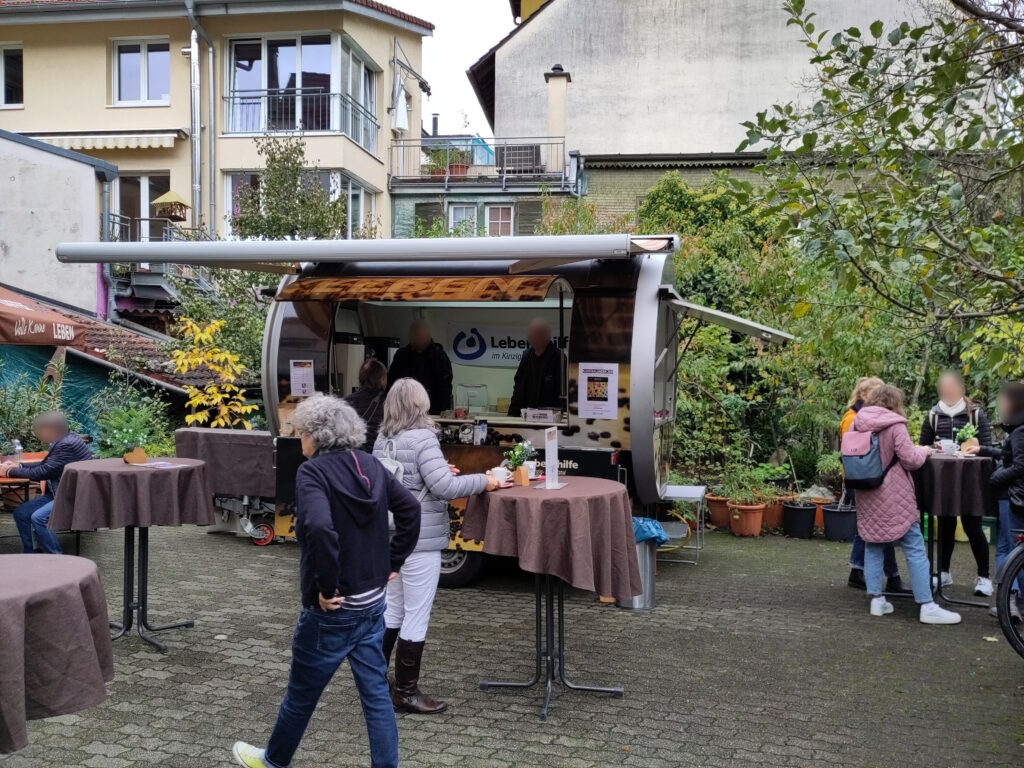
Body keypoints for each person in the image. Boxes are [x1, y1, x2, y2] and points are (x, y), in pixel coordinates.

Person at [232, 395, 421, 768]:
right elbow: (410, 509)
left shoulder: (312, 473)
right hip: (371, 605)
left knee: (301, 695)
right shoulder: (369, 462)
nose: (297, 438)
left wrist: (326, 587)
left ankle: (273, 761)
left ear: (316, 436)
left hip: (333, 611)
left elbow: (318, 527)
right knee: (377, 698)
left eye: (299, 431)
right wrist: (392, 560)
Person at [373, 378, 498, 714]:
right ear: (420, 405)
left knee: (392, 611)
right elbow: (443, 487)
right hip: (421, 539)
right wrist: (487, 480)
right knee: (416, 615)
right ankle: (405, 693)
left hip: (390, 538)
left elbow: (405, 480)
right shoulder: (424, 438)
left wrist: (441, 470)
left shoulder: (383, 440)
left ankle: (375, 684)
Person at [852, 385, 961, 624]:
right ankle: (927, 605)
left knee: (873, 544)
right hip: (893, 495)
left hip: (866, 492)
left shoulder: (857, 422)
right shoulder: (895, 424)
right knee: (914, 545)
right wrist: (923, 451)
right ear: (895, 402)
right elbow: (910, 460)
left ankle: (877, 601)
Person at [919, 370, 994, 597]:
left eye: (951, 387)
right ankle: (943, 572)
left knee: (973, 526)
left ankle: (984, 577)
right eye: (943, 388)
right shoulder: (933, 415)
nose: (947, 392)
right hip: (944, 482)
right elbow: (923, 447)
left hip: (969, 481)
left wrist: (972, 449)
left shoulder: (976, 414)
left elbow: (988, 448)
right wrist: (934, 449)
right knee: (945, 525)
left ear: (961, 389)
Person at [841, 377, 910, 594]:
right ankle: (865, 571)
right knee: (871, 530)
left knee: (875, 529)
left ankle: (883, 575)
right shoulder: (852, 418)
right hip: (864, 479)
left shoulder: (869, 418)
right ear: (864, 395)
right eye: (875, 392)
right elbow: (854, 451)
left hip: (870, 478)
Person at [964, 381, 1024, 624]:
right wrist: (984, 450)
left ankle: (1010, 602)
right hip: (1013, 496)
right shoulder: (1018, 428)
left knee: (1008, 551)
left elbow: (1020, 465)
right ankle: (1014, 601)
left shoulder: (1019, 431)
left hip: (1012, 498)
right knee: (1013, 550)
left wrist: (995, 478)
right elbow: (1010, 455)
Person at [0, 411, 92, 554]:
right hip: (59, 492)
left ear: (51, 430)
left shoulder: (66, 445)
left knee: (39, 517)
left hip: (73, 497)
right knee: (21, 512)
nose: (38, 434)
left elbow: (43, 472)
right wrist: (18, 466)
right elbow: (46, 465)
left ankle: (55, 557)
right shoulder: (64, 438)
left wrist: (8, 472)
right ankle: (32, 552)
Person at [387, 320, 453, 414]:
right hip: (405, 411)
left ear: (428, 336)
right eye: (416, 335)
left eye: (421, 335)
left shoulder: (439, 356)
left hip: (433, 411)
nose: (418, 338)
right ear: (411, 337)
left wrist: (442, 412)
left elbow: (445, 388)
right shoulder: (402, 355)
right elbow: (393, 383)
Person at [508, 318, 566, 417]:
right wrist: (511, 415)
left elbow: (563, 394)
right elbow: (518, 388)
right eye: (530, 334)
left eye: (535, 334)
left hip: (548, 419)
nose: (530, 337)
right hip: (525, 418)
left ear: (546, 336)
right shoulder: (527, 356)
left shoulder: (558, 358)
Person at [344, 358, 388, 452]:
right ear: (382, 379)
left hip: (355, 454)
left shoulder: (347, 401)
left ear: (361, 377)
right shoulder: (390, 403)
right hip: (381, 453)